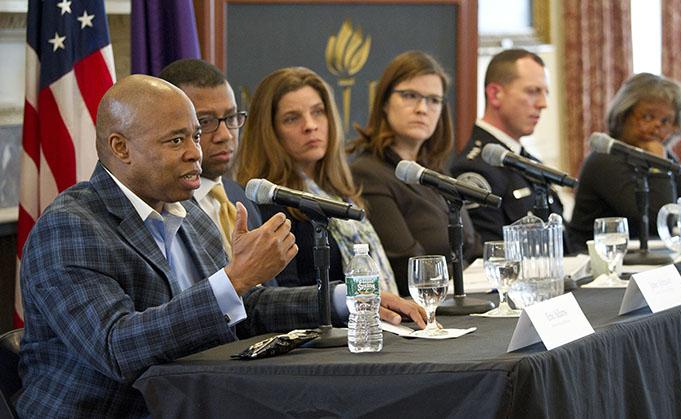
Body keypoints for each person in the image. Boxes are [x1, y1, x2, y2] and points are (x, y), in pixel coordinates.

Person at [16, 75, 424, 418]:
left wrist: (346, 299)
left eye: (194, 136)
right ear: (121, 148)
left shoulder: (187, 210)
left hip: (199, 401)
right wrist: (236, 278)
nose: (196, 152)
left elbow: (248, 307)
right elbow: (118, 347)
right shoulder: (71, 226)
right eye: (176, 141)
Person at [234, 67, 399, 294]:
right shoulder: (269, 204)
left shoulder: (337, 191)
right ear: (269, 131)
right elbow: (280, 295)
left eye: (318, 112)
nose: (310, 125)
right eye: (292, 118)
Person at [348, 51, 481, 297]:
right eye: (410, 96)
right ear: (385, 102)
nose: (423, 109)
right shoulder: (367, 174)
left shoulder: (435, 172)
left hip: (467, 301)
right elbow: (407, 264)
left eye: (433, 100)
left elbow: (473, 250)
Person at [567, 72, 681, 252]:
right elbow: (658, 224)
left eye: (666, 121)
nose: (657, 126)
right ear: (623, 115)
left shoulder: (653, 152)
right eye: (648, 117)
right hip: (596, 266)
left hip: (640, 261)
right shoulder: (604, 160)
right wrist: (659, 165)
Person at [450, 49, 564, 244]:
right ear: (495, 94)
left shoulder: (527, 159)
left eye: (545, 92)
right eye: (532, 91)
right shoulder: (475, 168)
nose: (543, 103)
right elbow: (491, 253)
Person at [158, 59, 261, 260]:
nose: (225, 135)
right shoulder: (164, 206)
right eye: (204, 122)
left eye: (231, 118)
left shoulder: (240, 196)